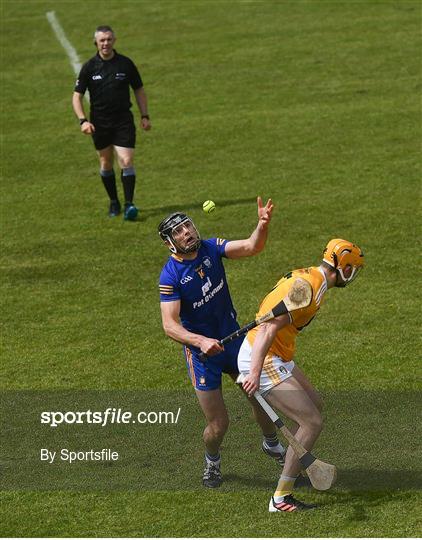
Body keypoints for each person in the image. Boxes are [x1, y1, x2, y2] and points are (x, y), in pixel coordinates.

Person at [158, 198, 287, 488]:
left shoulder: (210, 248)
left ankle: (271, 444)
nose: (187, 233)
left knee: (261, 398)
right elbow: (169, 325)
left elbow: (252, 247)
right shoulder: (170, 276)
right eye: (178, 232)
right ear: (169, 243)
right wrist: (200, 341)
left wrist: (262, 225)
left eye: (187, 226)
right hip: (203, 356)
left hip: (235, 340)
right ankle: (212, 460)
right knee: (219, 424)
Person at [238, 238, 364, 512]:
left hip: (277, 354)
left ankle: (295, 458)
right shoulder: (309, 287)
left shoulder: (311, 279)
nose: (352, 275)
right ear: (343, 268)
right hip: (262, 356)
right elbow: (268, 330)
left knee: (314, 404)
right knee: (312, 422)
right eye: (352, 269)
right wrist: (254, 373)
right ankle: (281, 497)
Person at [72, 25, 151, 220]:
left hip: (123, 121)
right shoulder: (89, 67)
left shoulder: (125, 64)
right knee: (106, 163)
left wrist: (144, 115)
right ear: (96, 43)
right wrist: (83, 121)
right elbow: (76, 97)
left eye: (109, 39)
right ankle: (114, 202)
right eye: (102, 40)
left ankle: (129, 205)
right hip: (100, 123)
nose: (105, 43)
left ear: (114, 41)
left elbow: (139, 89)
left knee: (126, 160)